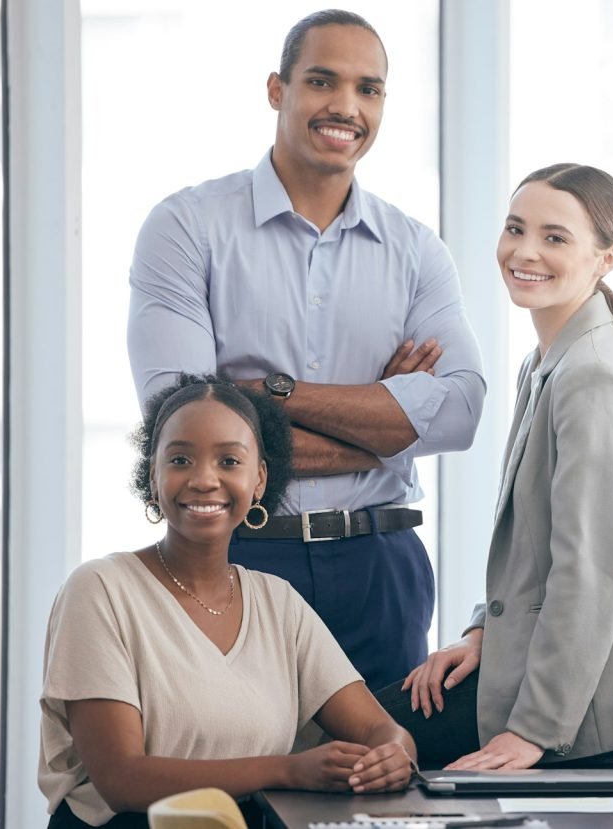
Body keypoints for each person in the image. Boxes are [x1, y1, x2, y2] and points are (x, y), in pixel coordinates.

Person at [126, 9, 485, 689]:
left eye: (368, 88)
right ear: (276, 89)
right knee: (238, 778)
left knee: (381, 780)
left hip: (383, 565)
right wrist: (388, 421)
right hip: (241, 555)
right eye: (322, 80)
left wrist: (267, 398)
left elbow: (460, 413)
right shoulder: (187, 227)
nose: (346, 106)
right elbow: (182, 424)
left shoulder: (416, 251)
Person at [377, 164, 613, 769]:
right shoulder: (551, 360)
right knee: (356, 744)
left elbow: (589, 570)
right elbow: (536, 549)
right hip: (550, 670)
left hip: (597, 705)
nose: (524, 251)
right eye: (515, 228)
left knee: (357, 752)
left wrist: (534, 730)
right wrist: (483, 632)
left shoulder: (595, 376)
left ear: (606, 258)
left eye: (555, 237)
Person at [39, 376, 418, 829]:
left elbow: (380, 730)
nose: (203, 479)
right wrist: (286, 770)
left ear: (258, 479)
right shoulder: (100, 589)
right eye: (180, 459)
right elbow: (121, 778)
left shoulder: (278, 602)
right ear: (152, 475)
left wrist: (393, 754)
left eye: (229, 460)